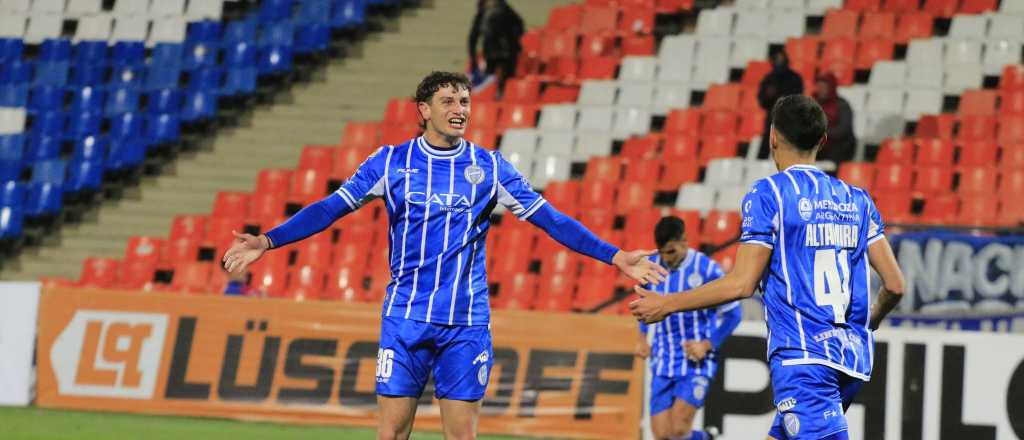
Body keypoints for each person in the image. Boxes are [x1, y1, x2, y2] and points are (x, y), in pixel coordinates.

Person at [222, 71, 667, 440]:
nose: (460, 109)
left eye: (465, 101)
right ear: (424, 110)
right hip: (405, 319)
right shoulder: (390, 162)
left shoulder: (490, 167)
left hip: (465, 324)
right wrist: (268, 241)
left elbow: (551, 219)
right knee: (391, 433)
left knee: (462, 437)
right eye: (449, 101)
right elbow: (329, 208)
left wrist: (615, 256)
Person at [629, 95, 906, 440]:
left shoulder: (769, 194)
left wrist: (667, 304)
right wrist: (870, 321)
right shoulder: (858, 200)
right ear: (822, 140)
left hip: (803, 359)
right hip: (852, 359)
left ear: (772, 137)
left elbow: (741, 284)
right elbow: (895, 285)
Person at [635, 216, 741, 440]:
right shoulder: (653, 267)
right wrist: (642, 338)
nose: (666, 258)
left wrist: (707, 344)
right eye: (662, 252)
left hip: (695, 362)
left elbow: (734, 314)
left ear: (684, 240)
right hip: (663, 360)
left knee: (678, 430)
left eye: (671, 251)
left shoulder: (707, 269)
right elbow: (644, 304)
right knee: (662, 435)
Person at [467, 0, 524, 95]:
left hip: (499, 51)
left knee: (496, 79)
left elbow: (473, 37)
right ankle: (498, 95)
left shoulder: (490, 11)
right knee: (500, 79)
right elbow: (520, 26)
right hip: (502, 51)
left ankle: (498, 95)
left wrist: (473, 58)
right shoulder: (503, 9)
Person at [757, 51, 804, 159]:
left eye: (781, 60)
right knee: (765, 148)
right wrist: (769, 96)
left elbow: (798, 98)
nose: (779, 63)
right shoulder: (768, 79)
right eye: (777, 60)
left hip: (790, 118)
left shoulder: (794, 78)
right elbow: (762, 101)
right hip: (773, 118)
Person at [812, 73, 856, 167]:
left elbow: (843, 130)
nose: (820, 90)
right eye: (819, 87)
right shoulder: (813, 104)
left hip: (838, 146)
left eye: (824, 87)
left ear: (831, 87)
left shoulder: (842, 105)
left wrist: (822, 133)